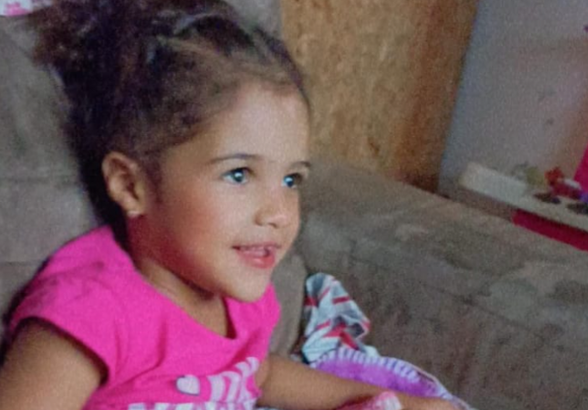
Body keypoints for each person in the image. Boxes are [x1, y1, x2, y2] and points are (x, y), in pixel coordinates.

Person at [0, 1, 455, 409]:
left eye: (292, 180)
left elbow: (261, 376)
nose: (278, 213)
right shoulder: (92, 314)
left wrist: (398, 402)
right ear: (131, 186)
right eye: (239, 174)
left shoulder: (242, 296)